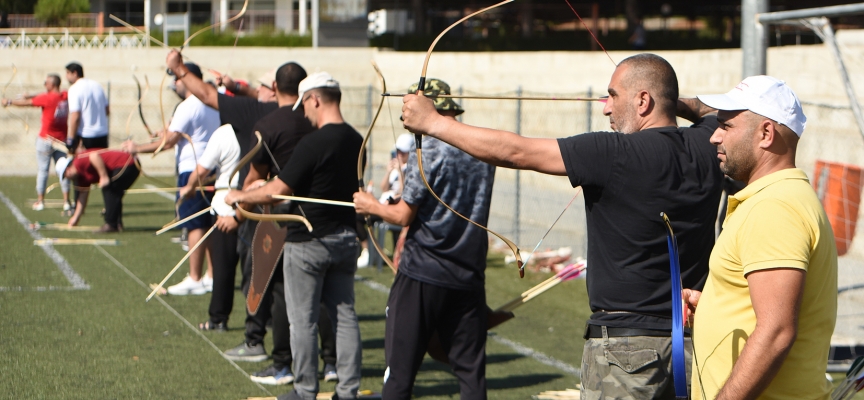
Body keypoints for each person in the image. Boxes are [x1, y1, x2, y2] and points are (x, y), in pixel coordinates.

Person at [401, 53, 724, 398]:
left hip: (625, 350)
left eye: (613, 96)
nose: (605, 108)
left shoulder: (613, 152)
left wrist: (434, 123)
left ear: (643, 100)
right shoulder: (708, 145)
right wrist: (673, 102)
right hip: (693, 347)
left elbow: (516, 152)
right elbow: (713, 113)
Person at [684, 76, 837, 400]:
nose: (714, 136)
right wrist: (714, 307)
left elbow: (777, 332)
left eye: (726, 126)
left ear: (766, 133)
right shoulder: (778, 198)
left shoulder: (774, 207)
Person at [225, 72, 363, 400]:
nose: (304, 113)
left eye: (306, 105)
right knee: (344, 316)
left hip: (308, 243)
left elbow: (278, 191)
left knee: (302, 322)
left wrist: (239, 196)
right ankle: (348, 391)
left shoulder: (312, 143)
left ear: (315, 99)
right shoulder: (357, 139)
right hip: (344, 239)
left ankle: (304, 390)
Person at [354, 79, 493, 399]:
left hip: (424, 273)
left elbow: (403, 215)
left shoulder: (427, 148)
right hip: (469, 273)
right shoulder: (481, 148)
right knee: (472, 376)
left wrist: (370, 206)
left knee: (399, 375)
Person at [163, 49, 283, 364]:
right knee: (270, 278)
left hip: (242, 206)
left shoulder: (245, 120)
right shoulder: (298, 118)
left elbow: (205, 93)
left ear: (273, 91)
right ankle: (283, 343)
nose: (256, 91)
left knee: (241, 270)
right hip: (276, 210)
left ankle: (243, 331)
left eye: (263, 88)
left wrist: (178, 68)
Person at [241, 62, 338, 386]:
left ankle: (283, 362)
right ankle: (331, 362)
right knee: (323, 294)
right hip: (320, 219)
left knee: (282, 291)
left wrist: (241, 202)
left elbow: (261, 176)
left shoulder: (271, 123)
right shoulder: (318, 124)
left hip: (282, 215)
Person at [122, 62, 220, 295]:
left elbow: (171, 141)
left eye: (177, 78)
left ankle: (195, 278)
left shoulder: (188, 105)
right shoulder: (215, 101)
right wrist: (163, 132)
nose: (175, 83)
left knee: (195, 223)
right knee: (209, 222)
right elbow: (181, 132)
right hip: (213, 168)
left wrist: (138, 148)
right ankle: (211, 276)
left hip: (191, 169)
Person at [178, 123, 240, 331]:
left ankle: (218, 318)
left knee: (223, 268)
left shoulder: (224, 133)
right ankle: (261, 321)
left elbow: (202, 170)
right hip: (252, 207)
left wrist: (189, 186)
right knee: (254, 269)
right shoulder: (259, 125)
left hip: (226, 208)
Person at [1, 73, 71, 212]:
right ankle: (67, 201)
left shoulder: (47, 98)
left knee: (43, 170)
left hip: (46, 139)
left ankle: (40, 201)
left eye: (46, 83)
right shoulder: (65, 95)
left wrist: (9, 101)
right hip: (62, 141)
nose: (45, 85)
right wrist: (31, 95)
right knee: (64, 170)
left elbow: (27, 103)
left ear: (52, 85)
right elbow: (42, 96)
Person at [56, 150, 139, 231]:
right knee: (115, 193)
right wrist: (76, 218)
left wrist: (103, 176)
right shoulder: (81, 178)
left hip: (127, 163)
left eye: (65, 176)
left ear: (67, 170)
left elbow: (94, 155)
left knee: (109, 189)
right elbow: (82, 196)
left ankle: (111, 224)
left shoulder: (78, 161)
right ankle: (117, 224)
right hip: (129, 164)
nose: (67, 178)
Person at [64, 62, 109, 153]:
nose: (66, 77)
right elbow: (107, 111)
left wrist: (71, 138)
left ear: (75, 73)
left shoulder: (74, 89)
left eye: (68, 73)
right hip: (102, 134)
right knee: (101, 163)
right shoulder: (97, 86)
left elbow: (75, 116)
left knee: (84, 165)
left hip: (86, 135)